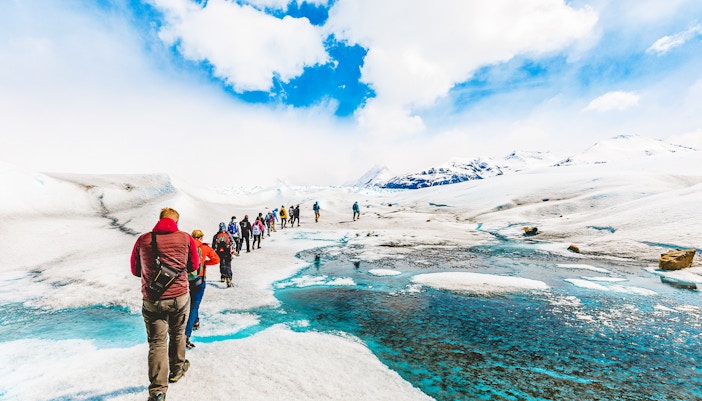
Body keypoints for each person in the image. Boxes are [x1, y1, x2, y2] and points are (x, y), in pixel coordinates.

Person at [130, 207, 199, 401]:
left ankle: (158, 391)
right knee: (177, 333)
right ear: (176, 222)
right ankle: (177, 370)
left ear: (159, 219)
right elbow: (194, 266)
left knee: (157, 343)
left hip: (152, 299)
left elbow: (135, 269)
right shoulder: (186, 238)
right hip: (179, 297)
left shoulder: (143, 239)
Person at [185, 229, 219, 349]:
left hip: (186, 279)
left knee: (189, 303)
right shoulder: (205, 248)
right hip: (199, 279)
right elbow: (216, 259)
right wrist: (205, 264)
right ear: (201, 237)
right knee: (194, 306)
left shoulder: (187, 246)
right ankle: (186, 335)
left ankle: (196, 321)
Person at [212, 222, 235, 287]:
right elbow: (233, 242)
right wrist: (232, 250)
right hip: (227, 251)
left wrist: (214, 251)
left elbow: (213, 244)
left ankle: (223, 276)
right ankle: (229, 277)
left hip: (219, 251)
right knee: (228, 264)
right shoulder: (228, 234)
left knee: (222, 263)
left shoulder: (216, 235)